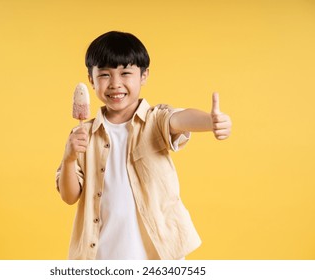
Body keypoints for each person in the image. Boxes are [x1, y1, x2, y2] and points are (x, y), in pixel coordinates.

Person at [56, 31, 232, 260]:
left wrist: (210, 122)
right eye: (105, 75)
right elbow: (69, 196)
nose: (115, 84)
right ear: (91, 79)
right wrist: (69, 158)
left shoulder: (155, 121)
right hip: (100, 256)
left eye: (126, 73)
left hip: (156, 257)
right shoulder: (82, 135)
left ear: (144, 76)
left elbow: (178, 118)